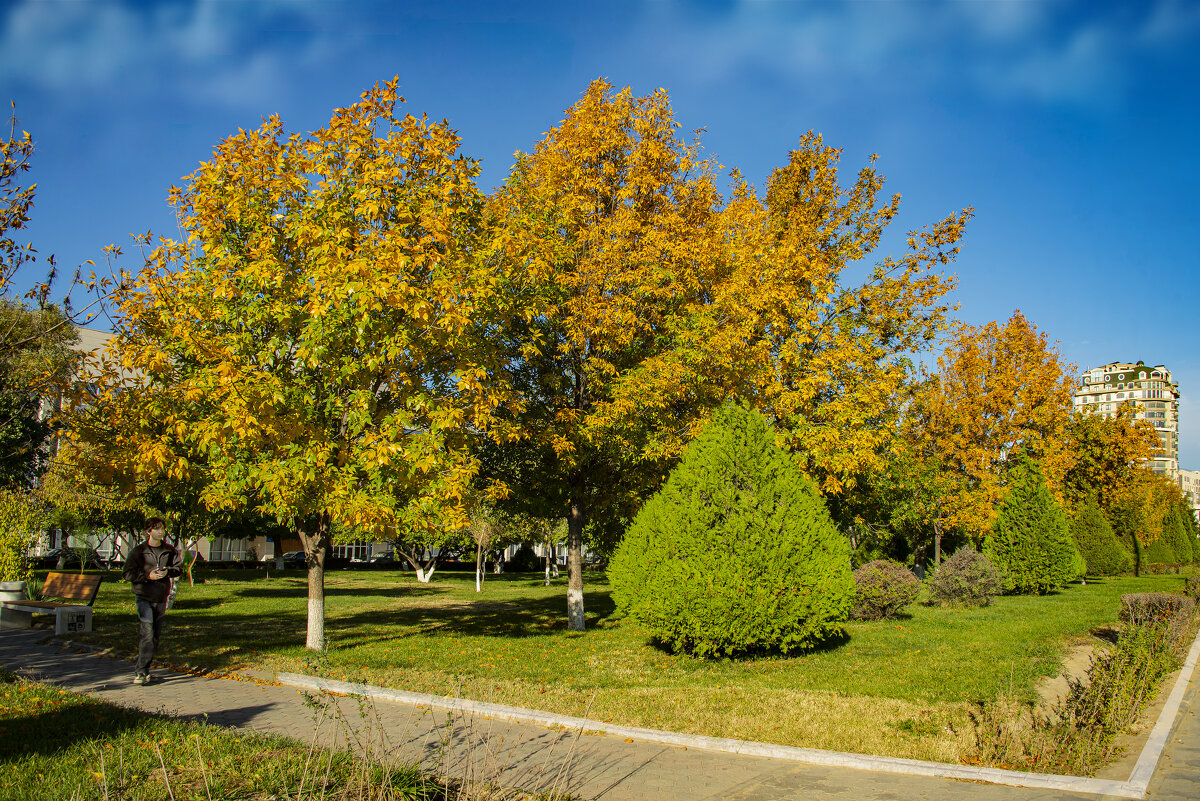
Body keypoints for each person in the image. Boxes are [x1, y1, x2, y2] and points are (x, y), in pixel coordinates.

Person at [121, 518, 183, 685]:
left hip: (160, 597)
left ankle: (145, 667)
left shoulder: (169, 551)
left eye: (162, 529)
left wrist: (167, 572)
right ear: (148, 531)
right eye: (157, 529)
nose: (160, 532)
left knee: (154, 635)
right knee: (147, 632)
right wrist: (147, 576)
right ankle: (141, 672)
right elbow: (127, 573)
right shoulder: (139, 552)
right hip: (144, 596)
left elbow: (178, 569)